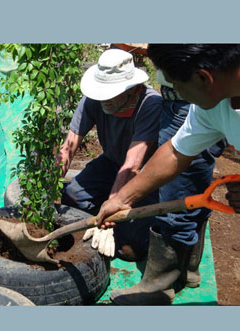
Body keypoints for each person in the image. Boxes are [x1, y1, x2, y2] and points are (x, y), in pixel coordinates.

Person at [95, 44, 240, 305]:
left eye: (175, 85)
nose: (175, 94)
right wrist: (122, 197)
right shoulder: (212, 104)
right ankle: (186, 270)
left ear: (203, 77)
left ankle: (162, 284)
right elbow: (176, 153)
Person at [55, 48, 163, 261]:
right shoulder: (93, 99)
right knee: (72, 196)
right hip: (112, 162)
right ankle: (104, 216)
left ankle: (119, 222)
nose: (105, 99)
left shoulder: (150, 105)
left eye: (111, 94)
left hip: (143, 173)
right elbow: (69, 145)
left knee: (128, 249)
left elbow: (132, 164)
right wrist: (50, 185)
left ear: (132, 89)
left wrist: (113, 203)